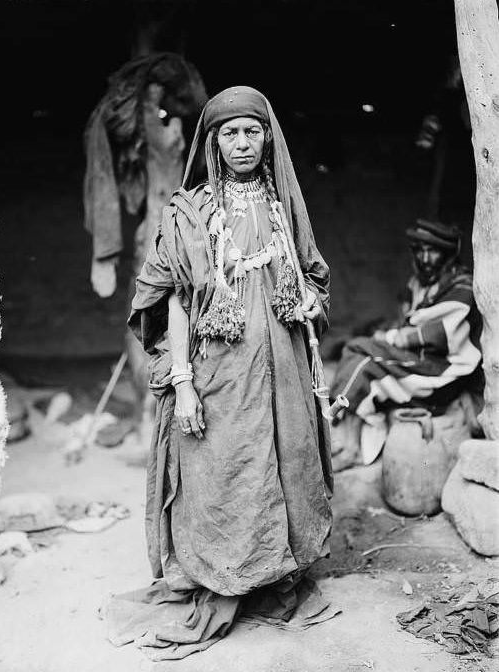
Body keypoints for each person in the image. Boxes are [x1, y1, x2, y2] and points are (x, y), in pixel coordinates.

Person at [100, 86, 334, 660]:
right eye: (229, 133)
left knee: (283, 466)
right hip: (217, 370)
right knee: (222, 473)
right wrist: (181, 381)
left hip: (281, 371)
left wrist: (310, 304)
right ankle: (224, 581)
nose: (242, 143)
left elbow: (311, 280)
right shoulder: (192, 212)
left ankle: (271, 576)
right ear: (211, 141)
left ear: (267, 136)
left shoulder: (282, 209)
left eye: (252, 131)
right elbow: (174, 302)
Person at [330, 218, 482, 471]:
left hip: (445, 373)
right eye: (420, 250)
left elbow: (437, 335)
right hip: (421, 363)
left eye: (432, 251)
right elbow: (406, 321)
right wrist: (389, 335)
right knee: (358, 352)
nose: (424, 257)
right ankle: (348, 442)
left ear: (447, 254)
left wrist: (390, 339)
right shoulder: (419, 283)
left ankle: (350, 445)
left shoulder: (462, 286)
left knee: (364, 357)